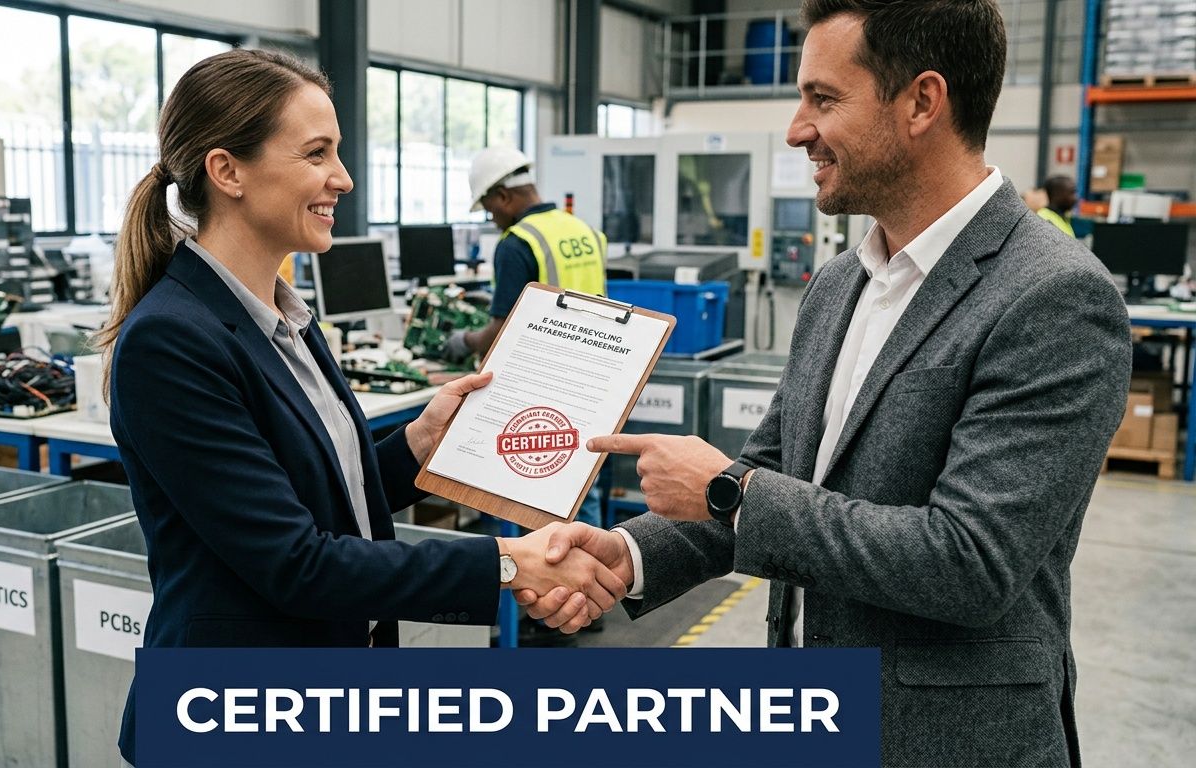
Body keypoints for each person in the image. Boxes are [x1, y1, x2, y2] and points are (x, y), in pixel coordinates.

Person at [518, 2, 1131, 765]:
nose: (796, 129)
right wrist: (628, 553)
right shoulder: (840, 283)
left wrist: (728, 494)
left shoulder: (1053, 296)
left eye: (824, 98)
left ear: (922, 102)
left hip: (948, 743)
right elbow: (774, 470)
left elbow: (972, 562)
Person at [97, 49, 623, 766]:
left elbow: (313, 492)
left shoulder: (285, 319)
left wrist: (417, 444)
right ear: (228, 172)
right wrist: (509, 562)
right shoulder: (171, 342)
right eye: (317, 154)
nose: (342, 178)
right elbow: (296, 564)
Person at [447, 146, 610, 529]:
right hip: (595, 380)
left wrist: (465, 341)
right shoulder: (584, 230)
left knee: (537, 499)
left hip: (544, 385)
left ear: (504, 196)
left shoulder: (517, 242)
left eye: (490, 208)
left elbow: (500, 330)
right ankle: (601, 579)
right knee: (582, 489)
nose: (493, 218)